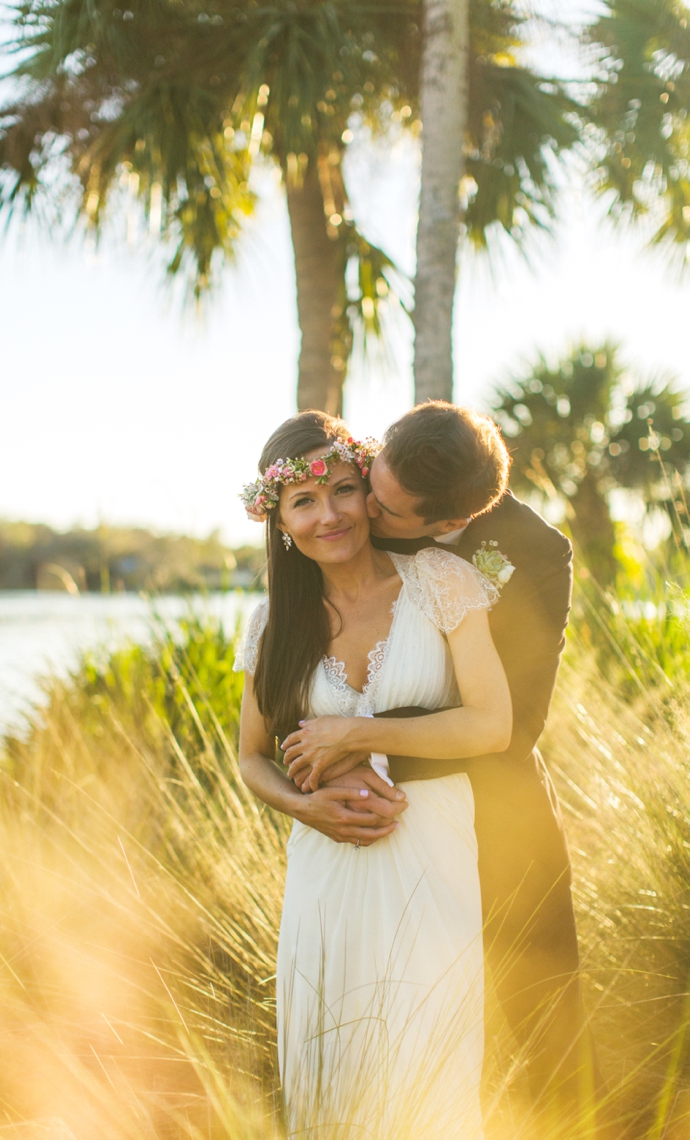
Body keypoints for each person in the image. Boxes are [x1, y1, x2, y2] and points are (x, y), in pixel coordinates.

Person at [282, 400, 596, 1128]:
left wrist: (356, 734)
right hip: (371, 830)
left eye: (385, 508)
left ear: (439, 520)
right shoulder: (357, 501)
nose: (363, 510)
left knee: (544, 1022)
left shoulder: (531, 552)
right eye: (369, 478)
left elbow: (511, 729)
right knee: (380, 1030)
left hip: (496, 817)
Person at [237, 410, 512, 1138]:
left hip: (432, 863)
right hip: (326, 874)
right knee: (332, 1072)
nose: (330, 514)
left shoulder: (442, 583)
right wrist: (306, 809)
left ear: (367, 489)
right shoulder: (272, 623)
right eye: (304, 501)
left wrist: (355, 731)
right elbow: (249, 759)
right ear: (280, 521)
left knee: (429, 1067)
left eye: (343, 490)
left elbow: (491, 725)